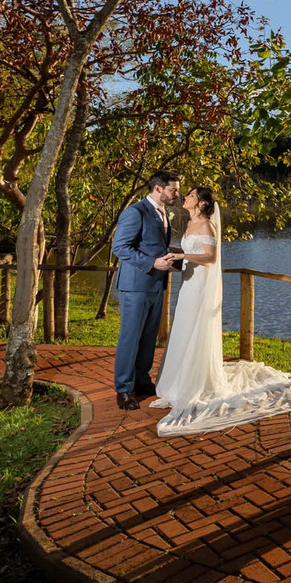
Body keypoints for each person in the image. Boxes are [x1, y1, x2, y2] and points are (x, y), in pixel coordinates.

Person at [150, 186, 291, 436]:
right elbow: (192, 253)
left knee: (196, 328)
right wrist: (175, 254)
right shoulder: (189, 224)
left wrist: (182, 255)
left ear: (201, 203)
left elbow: (210, 258)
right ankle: (178, 378)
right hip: (188, 283)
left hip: (200, 286)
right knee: (184, 327)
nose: (186, 197)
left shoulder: (207, 226)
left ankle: (195, 381)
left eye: (191, 195)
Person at [111, 170, 181, 411]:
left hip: (156, 285)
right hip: (135, 286)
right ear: (158, 188)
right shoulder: (135, 212)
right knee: (130, 338)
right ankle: (124, 389)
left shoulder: (162, 212)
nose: (177, 194)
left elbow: (156, 246)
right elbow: (120, 247)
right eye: (173, 190)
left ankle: (141, 381)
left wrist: (182, 260)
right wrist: (152, 263)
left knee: (149, 337)